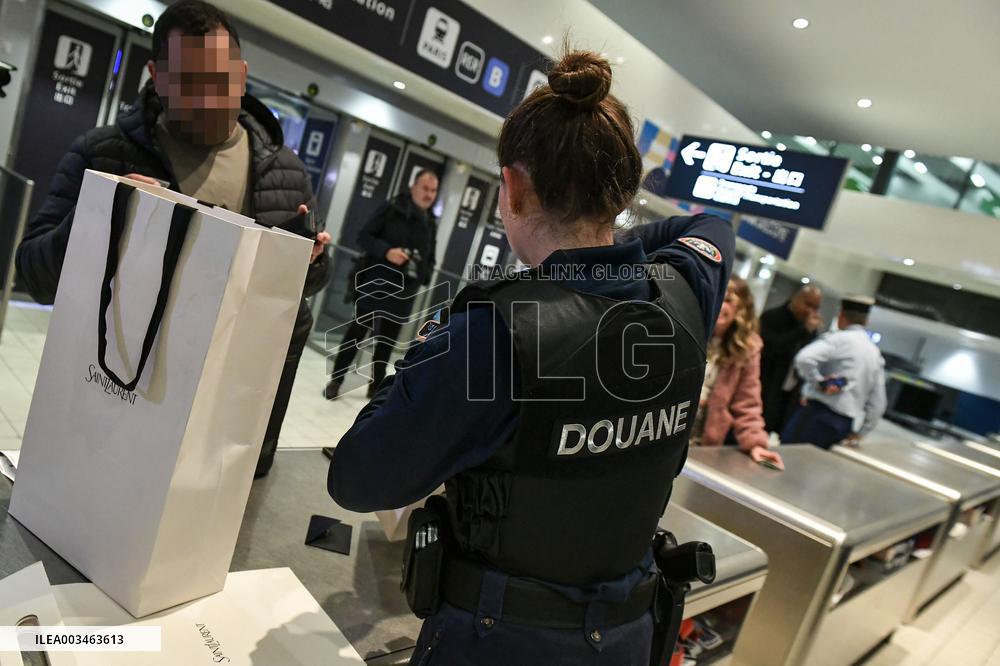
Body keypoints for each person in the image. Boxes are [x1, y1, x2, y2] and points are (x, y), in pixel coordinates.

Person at [328, 50, 734, 664]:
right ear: (621, 193)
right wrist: (609, 253)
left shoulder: (498, 332)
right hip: (626, 638)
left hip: (499, 642)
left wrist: (426, 353)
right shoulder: (685, 296)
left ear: (513, 187)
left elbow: (358, 477)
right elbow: (711, 226)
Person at [14, 0, 330, 478]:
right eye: (188, 83)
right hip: (116, 403)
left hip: (222, 425)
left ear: (242, 74)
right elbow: (34, 275)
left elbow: (292, 297)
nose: (209, 99)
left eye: (221, 82)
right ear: (156, 76)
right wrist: (103, 212)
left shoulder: (284, 172)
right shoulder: (103, 154)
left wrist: (309, 264)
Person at [324, 170, 439, 400]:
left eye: (433, 191)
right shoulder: (392, 208)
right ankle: (336, 380)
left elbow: (430, 258)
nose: (429, 194)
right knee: (356, 334)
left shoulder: (430, 223)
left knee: (386, 344)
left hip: (404, 292)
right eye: (425, 188)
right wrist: (387, 252)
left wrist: (422, 275)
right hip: (377, 283)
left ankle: (375, 387)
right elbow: (364, 236)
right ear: (413, 186)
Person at [690, 278, 784, 469]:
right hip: (666, 426)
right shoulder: (687, 326)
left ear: (740, 310)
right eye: (718, 298)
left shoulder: (747, 349)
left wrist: (756, 443)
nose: (720, 305)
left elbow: (747, 402)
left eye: (728, 301)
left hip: (702, 440)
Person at [781, 296, 887, 449]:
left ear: (841, 316)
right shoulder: (875, 353)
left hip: (815, 416)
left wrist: (818, 382)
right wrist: (861, 432)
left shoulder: (838, 340)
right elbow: (878, 403)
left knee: (785, 461)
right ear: (865, 321)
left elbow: (804, 358)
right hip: (843, 425)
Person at [758, 284, 823, 433]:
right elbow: (770, 348)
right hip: (765, 388)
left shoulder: (809, 329)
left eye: (815, 308)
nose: (810, 311)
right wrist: (802, 331)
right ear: (795, 298)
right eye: (808, 304)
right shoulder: (772, 317)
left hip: (789, 395)